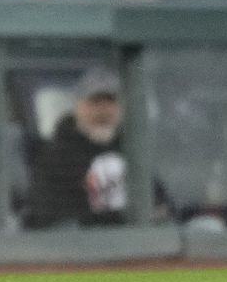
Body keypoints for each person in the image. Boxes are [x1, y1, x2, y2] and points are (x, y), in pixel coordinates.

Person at [24, 67, 169, 229]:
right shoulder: (54, 159)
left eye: (111, 102)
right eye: (95, 102)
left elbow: (160, 204)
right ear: (77, 106)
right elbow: (52, 217)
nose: (103, 111)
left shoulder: (134, 153)